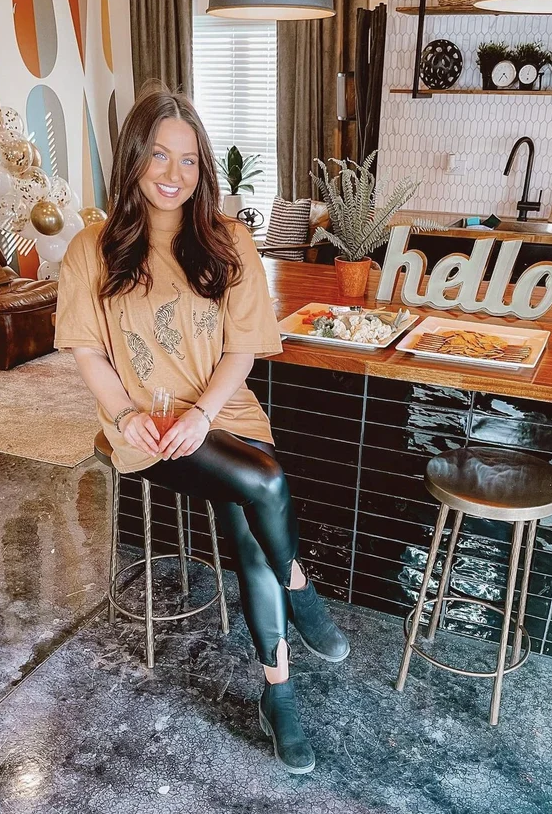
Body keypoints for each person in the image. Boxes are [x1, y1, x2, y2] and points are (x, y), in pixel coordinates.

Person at [54, 87, 349, 774]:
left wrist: (203, 414)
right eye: (158, 154)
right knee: (265, 481)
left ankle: (279, 695)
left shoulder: (227, 240)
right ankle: (300, 585)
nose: (172, 172)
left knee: (250, 518)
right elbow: (88, 353)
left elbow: (243, 348)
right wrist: (132, 416)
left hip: (223, 411)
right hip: (146, 428)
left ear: (202, 168)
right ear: (133, 157)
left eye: (188, 160)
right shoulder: (89, 250)